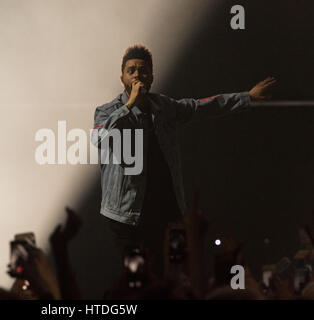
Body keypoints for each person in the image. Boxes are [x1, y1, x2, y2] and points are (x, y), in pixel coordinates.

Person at [91, 44, 276, 277]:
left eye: (143, 70)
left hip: (165, 211)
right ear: (122, 78)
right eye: (131, 70)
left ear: (152, 77)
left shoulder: (164, 107)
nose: (137, 74)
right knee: (138, 278)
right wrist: (129, 107)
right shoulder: (108, 111)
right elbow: (98, 138)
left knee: (171, 275)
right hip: (127, 215)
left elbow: (202, 107)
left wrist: (247, 97)